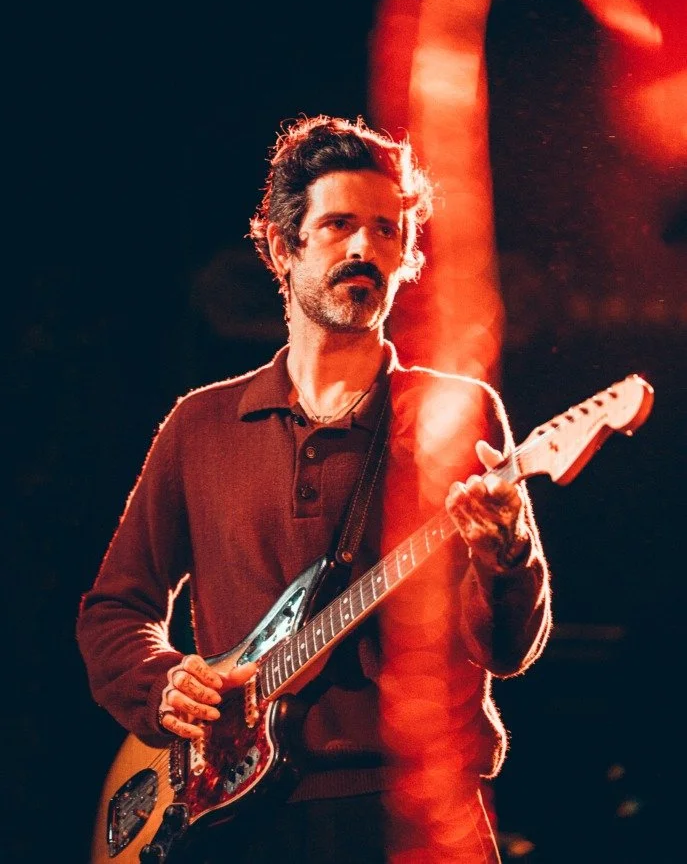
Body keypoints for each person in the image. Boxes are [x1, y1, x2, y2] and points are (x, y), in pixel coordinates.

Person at [77, 114, 552, 863]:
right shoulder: (201, 425)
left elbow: (504, 650)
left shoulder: (452, 415)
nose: (365, 248)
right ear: (279, 245)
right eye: (337, 226)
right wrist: (162, 683)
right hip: (227, 816)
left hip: (414, 810)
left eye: (387, 231)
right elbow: (115, 607)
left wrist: (508, 555)